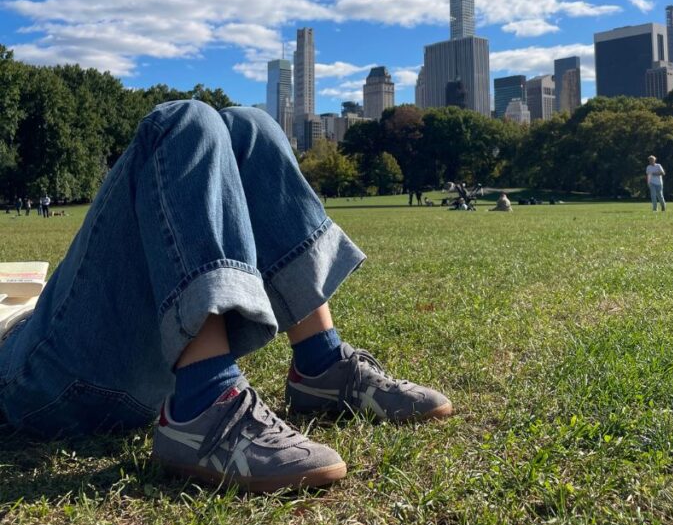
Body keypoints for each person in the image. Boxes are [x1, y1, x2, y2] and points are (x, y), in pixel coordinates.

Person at [0, 101, 451, 493]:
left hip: (128, 366)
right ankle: (206, 398)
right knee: (182, 121)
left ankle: (321, 363)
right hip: (35, 372)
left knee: (249, 127)